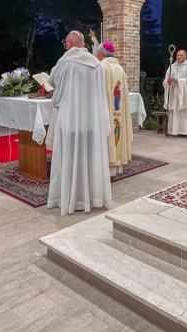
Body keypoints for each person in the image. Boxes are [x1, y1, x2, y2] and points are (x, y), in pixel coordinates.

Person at [47, 31, 112, 215]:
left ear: (69, 43)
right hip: (90, 120)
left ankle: (69, 198)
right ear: (82, 44)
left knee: (68, 158)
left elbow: (52, 81)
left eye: (66, 43)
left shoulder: (65, 61)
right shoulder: (96, 64)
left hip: (69, 119)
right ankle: (91, 197)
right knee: (88, 158)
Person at [95, 41, 133, 176]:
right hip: (117, 109)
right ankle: (116, 168)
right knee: (117, 131)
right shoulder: (120, 69)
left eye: (97, 52)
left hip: (105, 112)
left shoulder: (101, 67)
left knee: (109, 134)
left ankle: (105, 169)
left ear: (100, 53)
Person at [163, 49, 187, 137]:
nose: (178, 57)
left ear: (185, 56)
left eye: (181, 55)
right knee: (174, 111)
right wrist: (168, 82)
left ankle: (186, 132)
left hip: (184, 94)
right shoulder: (172, 66)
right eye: (177, 55)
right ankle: (173, 131)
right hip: (174, 93)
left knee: (185, 112)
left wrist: (178, 81)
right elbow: (166, 78)